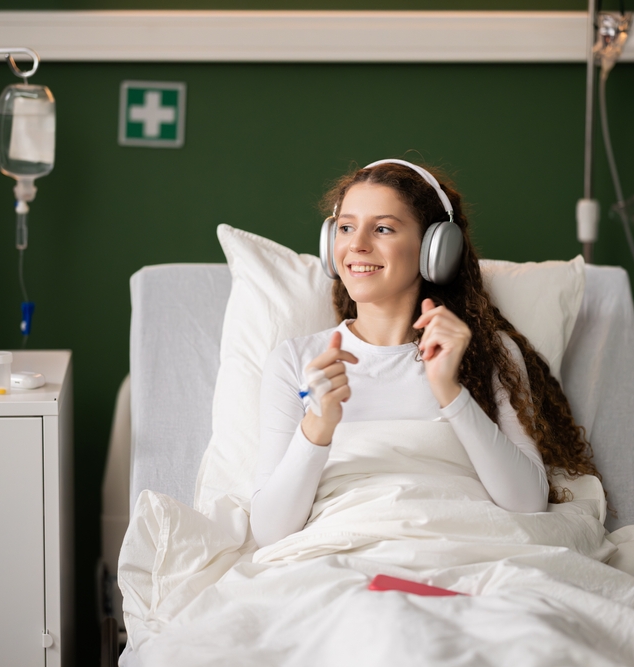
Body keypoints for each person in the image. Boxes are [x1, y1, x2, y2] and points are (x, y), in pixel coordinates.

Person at [250, 160, 599, 548]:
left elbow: (527, 504)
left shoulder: (487, 354)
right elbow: (268, 532)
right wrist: (317, 426)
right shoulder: (296, 361)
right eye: (346, 227)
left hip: (463, 549)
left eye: (382, 228)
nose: (357, 245)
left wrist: (450, 392)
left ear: (436, 248)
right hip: (342, 555)